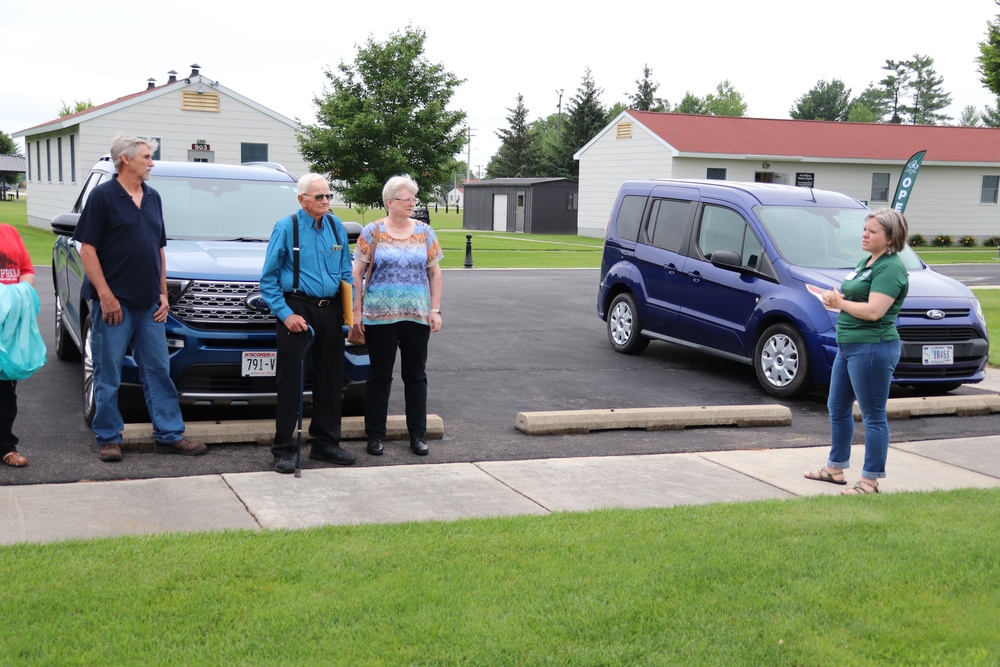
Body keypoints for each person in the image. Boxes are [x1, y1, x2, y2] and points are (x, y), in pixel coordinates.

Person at [74, 135, 207, 462]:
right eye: (147, 157)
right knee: (109, 373)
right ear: (125, 160)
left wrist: (163, 294)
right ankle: (108, 437)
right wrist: (105, 296)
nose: (152, 162)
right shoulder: (103, 197)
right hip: (114, 305)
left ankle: (169, 434)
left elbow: (158, 249)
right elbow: (87, 249)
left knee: (159, 371)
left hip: (150, 304)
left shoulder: (153, 198)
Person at [805, 208, 909, 495]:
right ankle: (834, 468)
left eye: (873, 231)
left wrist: (841, 304)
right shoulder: (868, 261)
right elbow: (854, 294)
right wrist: (835, 297)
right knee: (837, 407)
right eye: (865, 229)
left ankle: (870, 481)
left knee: (873, 416)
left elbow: (875, 311)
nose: (865, 234)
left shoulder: (891, 269)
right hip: (848, 346)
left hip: (873, 347)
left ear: (890, 238)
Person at [260, 174, 356, 474]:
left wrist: (349, 311)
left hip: (330, 312)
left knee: (330, 380)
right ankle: (284, 449)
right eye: (319, 197)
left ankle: (325, 443)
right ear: (302, 199)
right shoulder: (286, 227)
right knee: (291, 381)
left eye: (328, 196)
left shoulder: (335, 225)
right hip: (297, 310)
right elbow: (268, 280)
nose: (326, 202)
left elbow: (345, 271)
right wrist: (286, 314)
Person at [351, 175, 443, 457]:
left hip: (416, 316)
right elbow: (357, 273)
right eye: (407, 199)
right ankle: (375, 435)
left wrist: (435, 309)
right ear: (390, 201)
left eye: (414, 199)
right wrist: (357, 312)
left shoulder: (425, 232)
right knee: (379, 376)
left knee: (416, 376)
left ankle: (418, 434)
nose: (412, 203)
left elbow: (435, 272)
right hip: (379, 316)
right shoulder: (372, 231)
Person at [0, 223, 36, 468]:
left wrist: (18, 296)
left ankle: (6, 447)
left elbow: (26, 270)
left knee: (6, 390)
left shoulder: (9, 231)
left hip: (9, 324)